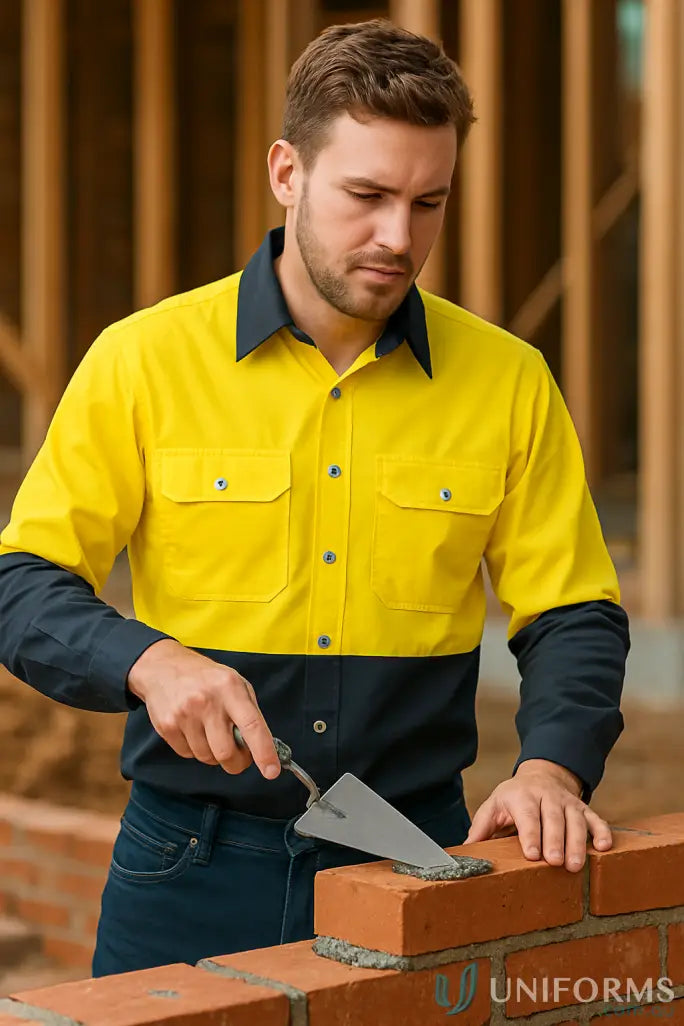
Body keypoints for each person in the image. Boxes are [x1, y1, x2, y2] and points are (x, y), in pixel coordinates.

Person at [0, 18, 629, 977]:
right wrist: (150, 661)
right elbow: (22, 584)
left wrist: (553, 765)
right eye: (367, 195)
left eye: (429, 203)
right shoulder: (143, 361)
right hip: (187, 868)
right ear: (287, 172)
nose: (397, 237)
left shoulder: (509, 381)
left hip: (417, 857)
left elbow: (574, 612)